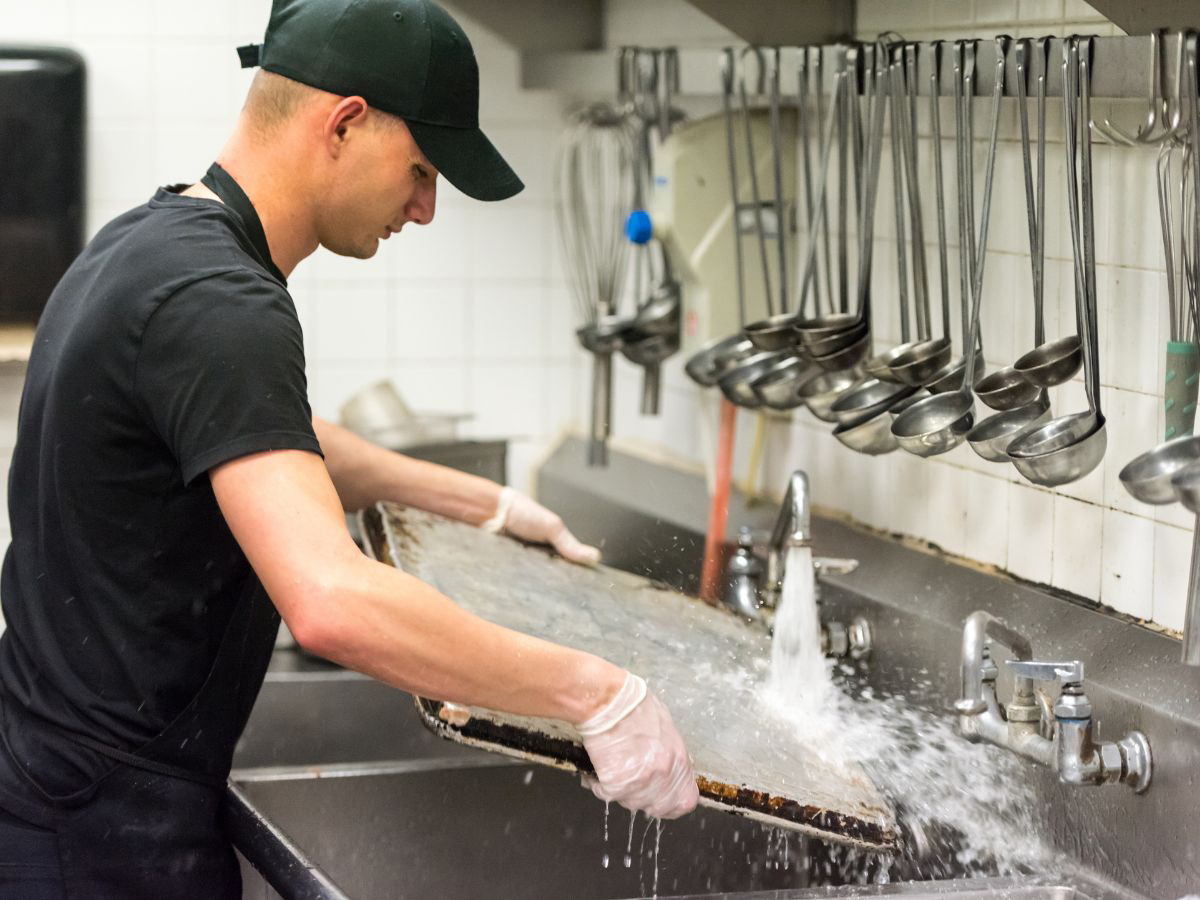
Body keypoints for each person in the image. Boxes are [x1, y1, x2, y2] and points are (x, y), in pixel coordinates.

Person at [0, 1, 698, 897]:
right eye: (421, 169)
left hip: (57, 778)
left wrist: (479, 502)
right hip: (102, 834)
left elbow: (264, 437)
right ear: (345, 122)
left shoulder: (154, 239)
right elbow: (331, 604)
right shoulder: (222, 300)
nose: (425, 207)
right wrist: (598, 692)